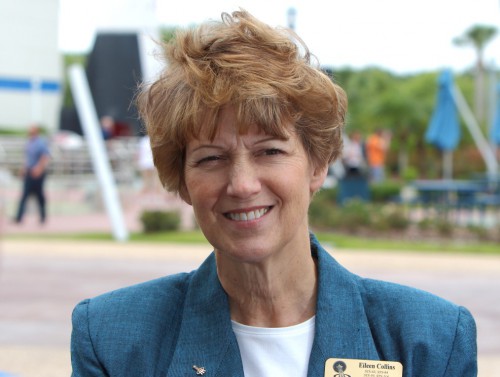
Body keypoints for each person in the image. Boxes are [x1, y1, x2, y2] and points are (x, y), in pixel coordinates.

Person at [70, 10, 477, 377]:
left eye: (269, 151)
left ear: (317, 165)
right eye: (211, 158)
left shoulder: (432, 342)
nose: (243, 184)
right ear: (182, 181)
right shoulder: (114, 341)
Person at [13, 124, 50, 224]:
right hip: (29, 172)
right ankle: (19, 217)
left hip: (38, 173)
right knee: (24, 195)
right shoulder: (29, 142)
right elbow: (27, 159)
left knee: (39, 196)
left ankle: (43, 217)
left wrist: (39, 169)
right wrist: (23, 169)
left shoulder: (40, 143)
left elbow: (45, 156)